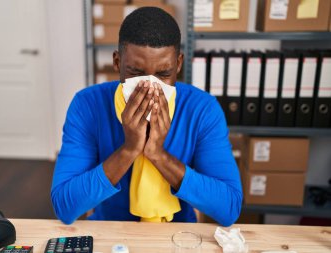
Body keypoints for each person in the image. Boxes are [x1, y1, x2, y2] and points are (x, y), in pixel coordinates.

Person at [51, 7, 242, 226]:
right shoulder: (88, 105)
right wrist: (129, 149)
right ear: (117, 62)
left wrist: (158, 155)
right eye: (135, 73)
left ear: (178, 64)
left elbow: (229, 208)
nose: (150, 86)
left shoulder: (201, 109)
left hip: (178, 235)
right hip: (109, 230)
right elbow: (64, 207)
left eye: (163, 74)